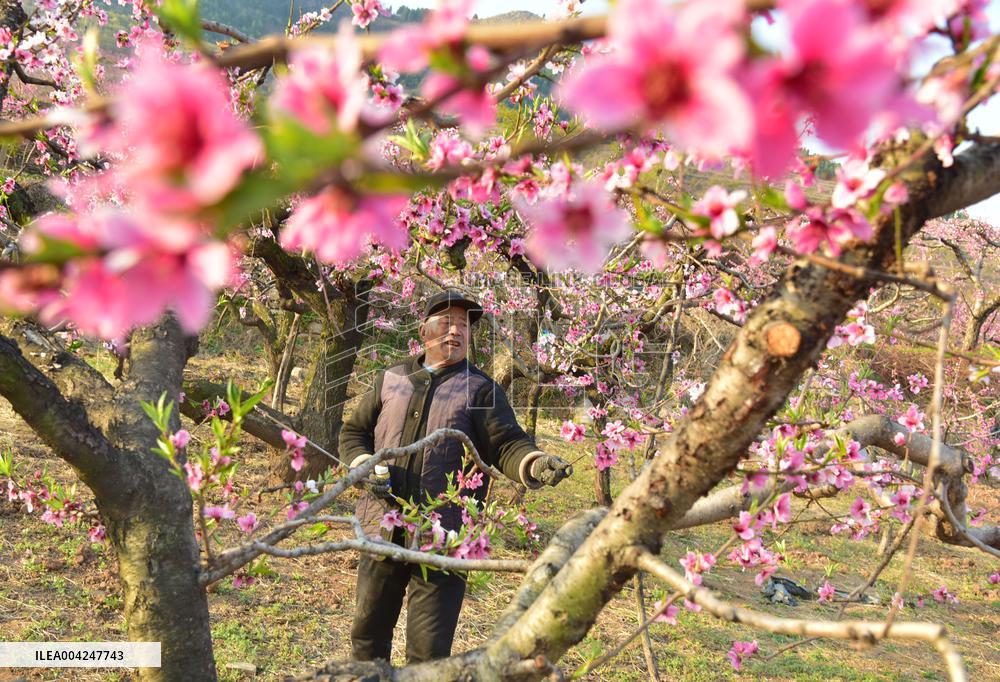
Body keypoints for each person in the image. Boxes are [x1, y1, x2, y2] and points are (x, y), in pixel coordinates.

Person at [339, 289, 573, 664]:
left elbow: (507, 444)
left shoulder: (480, 389)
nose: (455, 331)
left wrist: (534, 462)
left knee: (428, 654)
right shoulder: (391, 379)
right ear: (423, 330)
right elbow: (354, 433)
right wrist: (362, 463)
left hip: (444, 537)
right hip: (382, 527)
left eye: (463, 325)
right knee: (367, 638)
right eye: (446, 322)